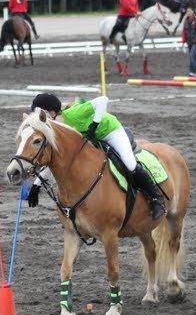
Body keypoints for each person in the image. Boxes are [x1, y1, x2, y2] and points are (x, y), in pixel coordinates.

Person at [26, 93, 166, 220]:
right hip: (93, 138)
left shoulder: (74, 113)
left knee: (130, 164)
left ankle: (157, 199)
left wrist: (95, 124)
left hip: (111, 132)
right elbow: (60, 161)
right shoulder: (57, 130)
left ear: (51, 113)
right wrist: (36, 185)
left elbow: (103, 100)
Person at [181, 7, 196, 76]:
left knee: (192, 55)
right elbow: (184, 31)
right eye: (187, 11)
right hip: (189, 41)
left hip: (195, 41)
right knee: (193, 56)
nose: (188, 13)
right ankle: (194, 71)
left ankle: (195, 71)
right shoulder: (186, 21)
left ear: (193, 12)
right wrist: (183, 41)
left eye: (190, 11)